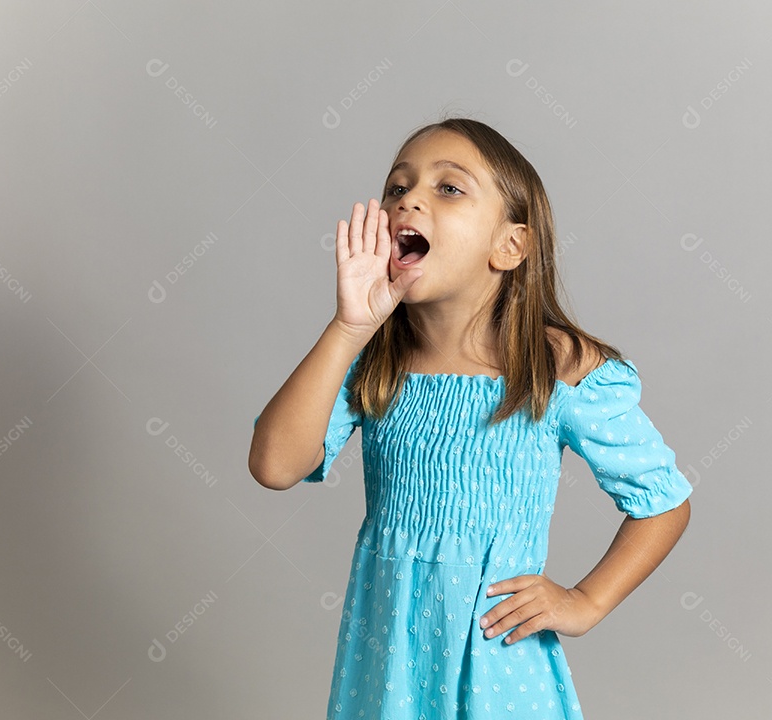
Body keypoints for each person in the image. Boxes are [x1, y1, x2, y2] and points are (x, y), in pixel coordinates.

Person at [249, 116, 693, 719]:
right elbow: (274, 465)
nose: (409, 200)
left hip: (496, 667)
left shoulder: (553, 365)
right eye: (397, 187)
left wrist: (585, 601)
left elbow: (663, 501)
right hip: (387, 667)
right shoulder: (373, 359)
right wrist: (349, 327)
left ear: (509, 245)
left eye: (448, 188)